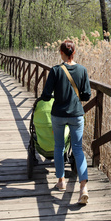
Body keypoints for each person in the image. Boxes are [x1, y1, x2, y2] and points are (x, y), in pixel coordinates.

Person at [40, 39, 91, 204]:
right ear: (74, 52)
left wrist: (55, 95)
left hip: (58, 114)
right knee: (78, 149)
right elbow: (86, 95)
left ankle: (61, 181)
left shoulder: (55, 70)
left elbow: (46, 95)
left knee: (59, 146)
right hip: (76, 115)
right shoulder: (82, 70)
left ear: (61, 53)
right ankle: (83, 187)